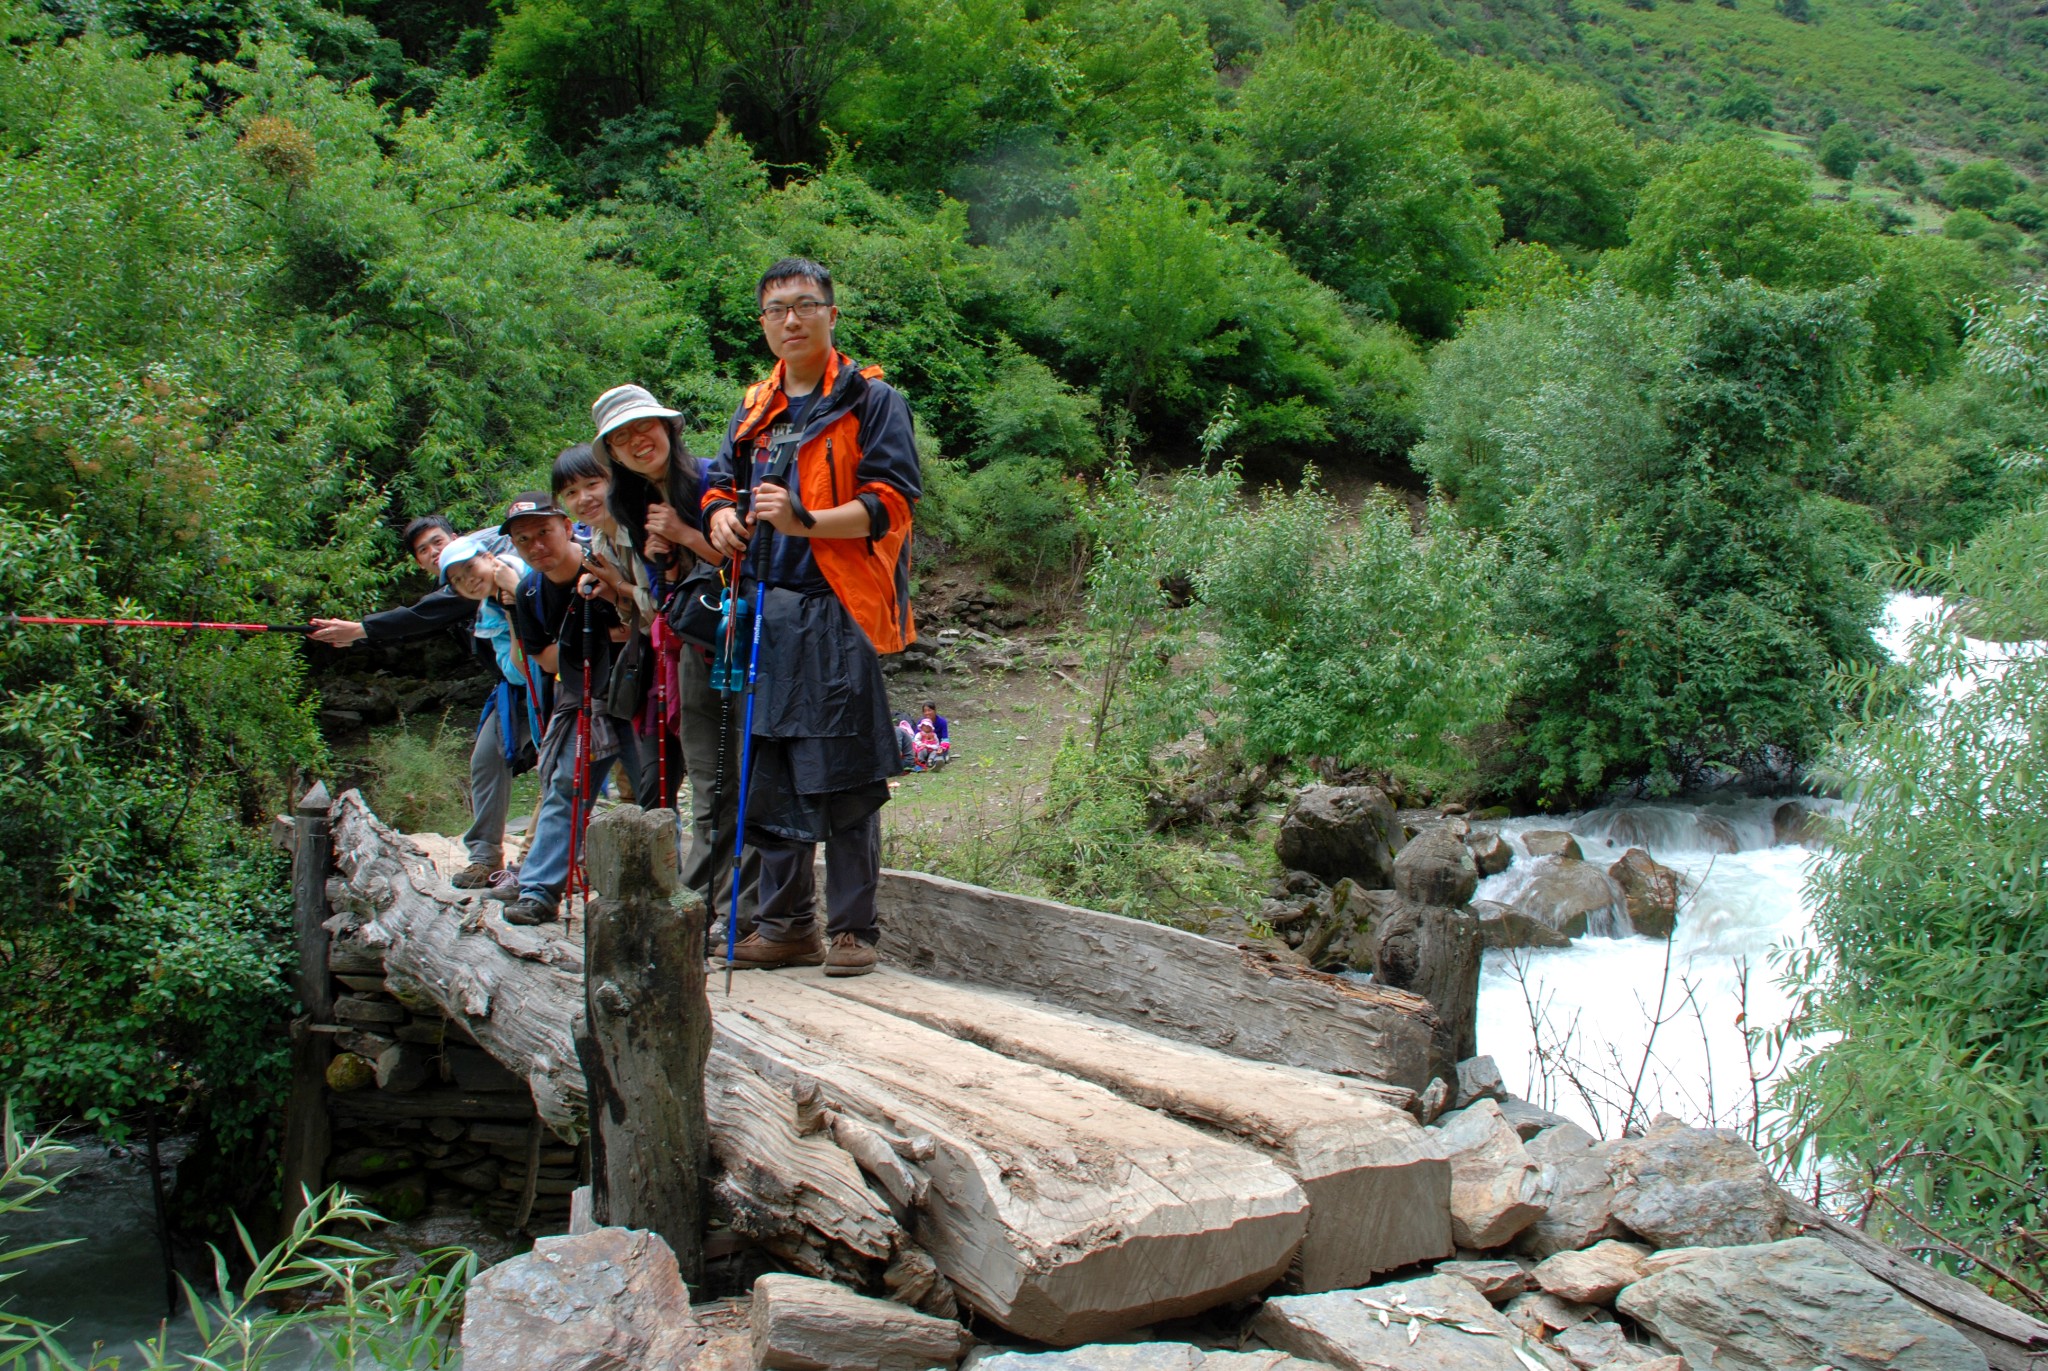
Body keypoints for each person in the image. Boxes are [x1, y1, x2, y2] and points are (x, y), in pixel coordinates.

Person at [703, 257, 920, 977]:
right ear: (764, 324)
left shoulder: (870, 399)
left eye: (804, 305)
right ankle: (786, 924)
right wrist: (723, 519)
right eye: (775, 310)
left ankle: (854, 929)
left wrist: (805, 522)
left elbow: (891, 499)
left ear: (832, 312)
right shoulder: (756, 407)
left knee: (846, 765)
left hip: (839, 604)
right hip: (767, 606)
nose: (790, 320)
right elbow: (718, 483)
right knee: (769, 762)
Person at [590, 383, 759, 929]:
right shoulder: (631, 505)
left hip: (742, 643)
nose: (638, 442)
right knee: (711, 786)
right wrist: (662, 558)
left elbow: (746, 566)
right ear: (612, 454)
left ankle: (742, 914)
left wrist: (685, 532)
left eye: (645, 428)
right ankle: (699, 911)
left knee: (749, 780)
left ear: (668, 428)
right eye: (621, 438)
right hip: (692, 654)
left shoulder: (712, 479)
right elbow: (666, 599)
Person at [499, 491, 649, 926]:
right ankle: (539, 890)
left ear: (566, 527)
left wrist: (588, 644)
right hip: (579, 697)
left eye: (544, 532)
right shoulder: (529, 590)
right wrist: (590, 643)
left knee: (652, 790)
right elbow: (539, 657)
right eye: (524, 540)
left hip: (634, 685)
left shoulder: (602, 563)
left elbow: (638, 622)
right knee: (567, 785)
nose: (536, 546)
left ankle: (665, 890)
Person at [550, 443, 679, 808]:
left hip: (683, 662)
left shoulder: (639, 528)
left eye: (593, 483)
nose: (584, 498)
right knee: (653, 784)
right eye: (571, 492)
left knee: (669, 778)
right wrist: (610, 594)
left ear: (614, 478)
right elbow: (634, 616)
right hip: (654, 666)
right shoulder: (600, 539)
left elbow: (663, 610)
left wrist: (618, 588)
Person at [437, 534, 543, 889]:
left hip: (563, 685)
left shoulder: (525, 571)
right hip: (521, 691)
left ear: (487, 557)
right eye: (458, 579)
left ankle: (539, 863)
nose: (468, 579)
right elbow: (517, 669)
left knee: (560, 772)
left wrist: (515, 599)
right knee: (486, 759)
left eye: (470, 567)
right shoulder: (488, 610)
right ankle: (485, 857)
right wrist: (511, 613)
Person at [309, 516, 471, 647]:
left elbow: (421, 616)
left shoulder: (476, 573)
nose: (434, 552)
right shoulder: (445, 588)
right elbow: (419, 628)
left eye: (438, 542)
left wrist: (360, 630)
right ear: (419, 563)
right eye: (423, 550)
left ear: (455, 539)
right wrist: (357, 638)